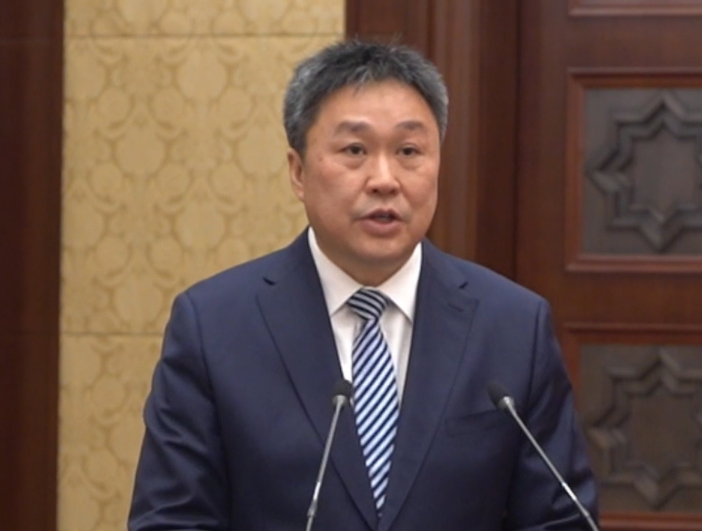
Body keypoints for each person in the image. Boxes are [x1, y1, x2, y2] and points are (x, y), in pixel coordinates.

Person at [128, 40, 598, 531]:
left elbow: (560, 521)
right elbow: (172, 521)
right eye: (355, 150)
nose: (384, 180)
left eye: (409, 151)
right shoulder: (214, 326)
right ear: (298, 172)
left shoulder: (513, 326)